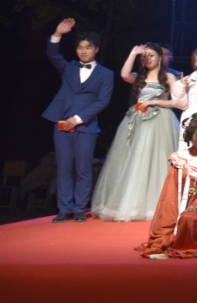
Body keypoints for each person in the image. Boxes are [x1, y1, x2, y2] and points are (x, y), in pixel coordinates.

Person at [93, 42, 183, 222]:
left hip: (160, 120)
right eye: (145, 56)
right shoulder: (139, 77)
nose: (148, 59)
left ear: (159, 57)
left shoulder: (168, 77)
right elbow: (124, 75)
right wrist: (133, 54)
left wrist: (154, 102)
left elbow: (176, 102)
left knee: (156, 159)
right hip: (137, 118)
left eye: (151, 55)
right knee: (134, 158)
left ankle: (155, 203)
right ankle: (132, 203)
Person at [43, 19, 114, 223]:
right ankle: (64, 208)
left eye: (88, 47)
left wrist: (79, 118)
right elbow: (53, 55)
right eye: (80, 47)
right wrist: (58, 33)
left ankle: (80, 208)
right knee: (63, 167)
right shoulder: (69, 68)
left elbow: (103, 101)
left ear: (96, 49)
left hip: (86, 125)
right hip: (62, 123)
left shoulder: (106, 74)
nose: (83, 51)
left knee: (83, 168)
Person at [136, 113, 197, 257]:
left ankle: (187, 245)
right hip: (181, 204)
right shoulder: (180, 158)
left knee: (190, 219)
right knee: (166, 222)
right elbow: (171, 190)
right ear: (191, 136)